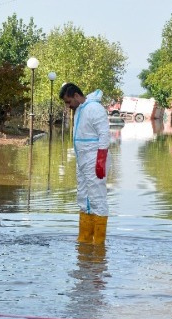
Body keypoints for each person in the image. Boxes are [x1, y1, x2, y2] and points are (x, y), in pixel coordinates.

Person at [60, 82, 110, 244]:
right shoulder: (81, 109)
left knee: (97, 198)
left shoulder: (95, 109)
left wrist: (100, 160)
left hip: (94, 158)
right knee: (83, 198)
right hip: (83, 159)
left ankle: (99, 244)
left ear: (76, 96)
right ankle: (85, 240)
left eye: (68, 102)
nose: (68, 106)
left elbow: (104, 135)